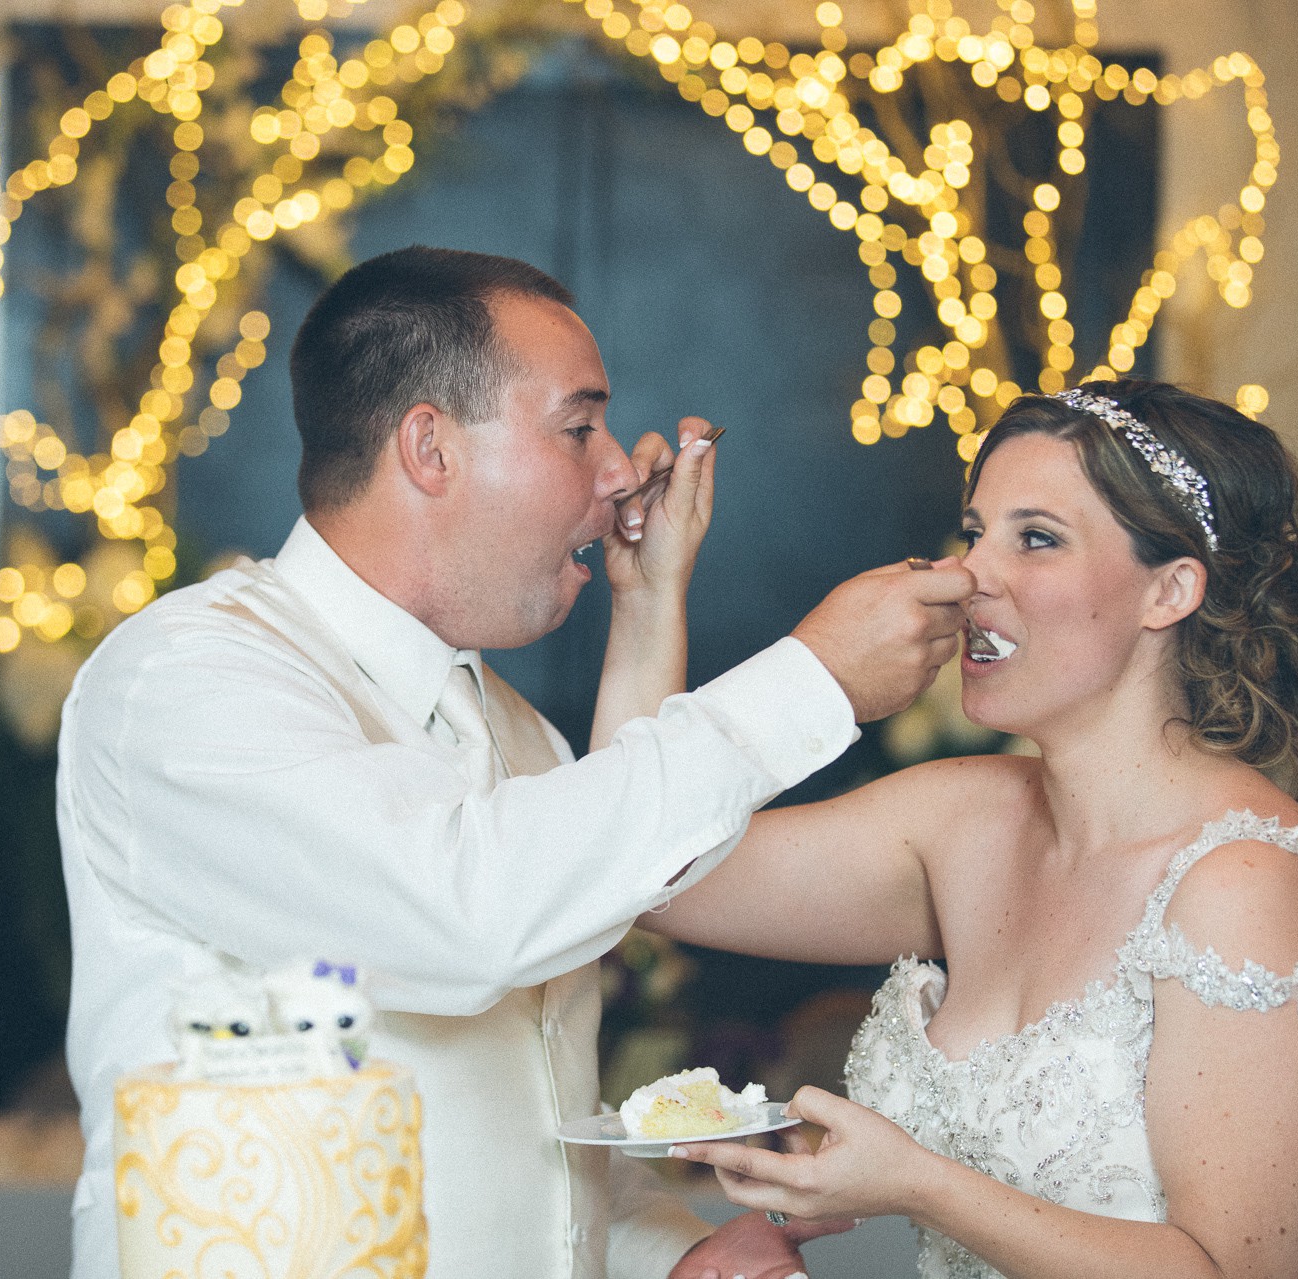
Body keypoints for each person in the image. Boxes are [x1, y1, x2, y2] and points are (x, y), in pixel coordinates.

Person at [56, 245, 975, 1279]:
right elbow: (461, 914)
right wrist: (815, 682)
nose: (623, 468)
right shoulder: (191, 677)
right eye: (579, 427)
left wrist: (674, 1255)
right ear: (429, 448)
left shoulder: (519, 734)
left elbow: (520, 1127)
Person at [638, 381, 1298, 1279]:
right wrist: (650, 595)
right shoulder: (962, 817)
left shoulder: (1244, 886)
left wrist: (920, 1183)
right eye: (975, 530)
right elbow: (648, 869)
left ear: (1171, 589)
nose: (970, 575)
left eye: (1035, 538)